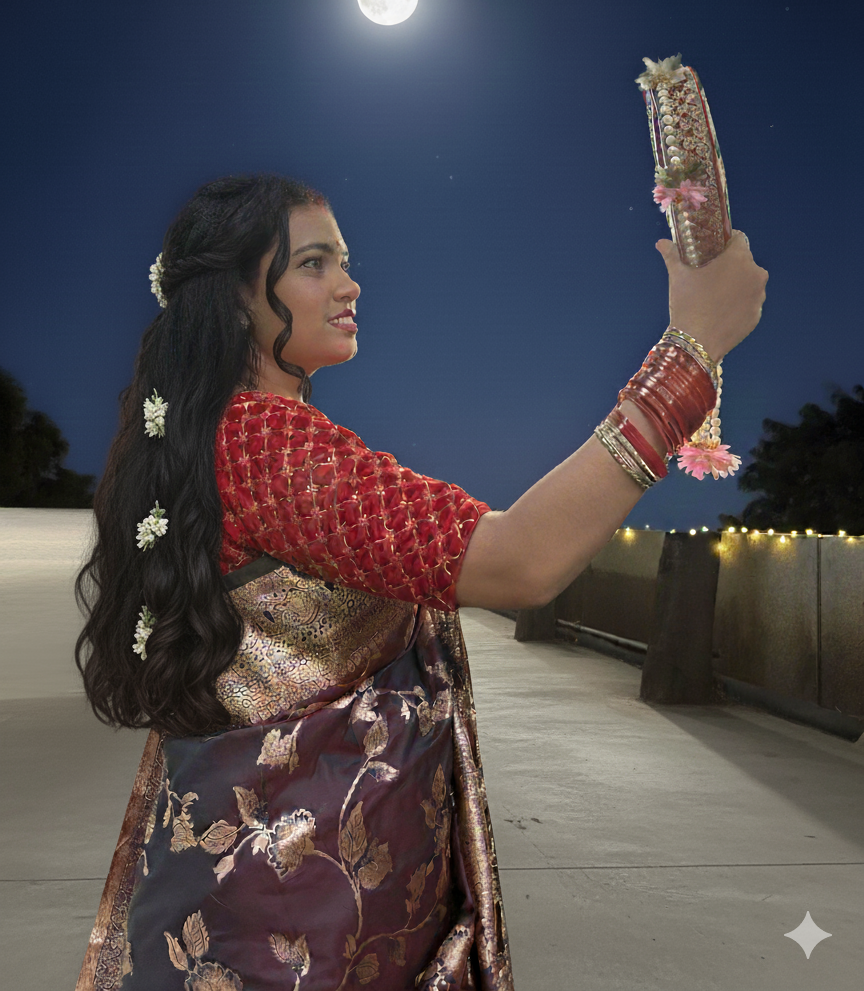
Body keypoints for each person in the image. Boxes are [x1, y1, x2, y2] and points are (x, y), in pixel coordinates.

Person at [74, 173, 768, 991]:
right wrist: (687, 356)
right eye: (313, 263)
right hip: (294, 930)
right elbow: (520, 561)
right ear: (233, 299)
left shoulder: (223, 435)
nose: (348, 283)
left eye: (344, 259)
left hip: (270, 892)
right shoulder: (264, 444)